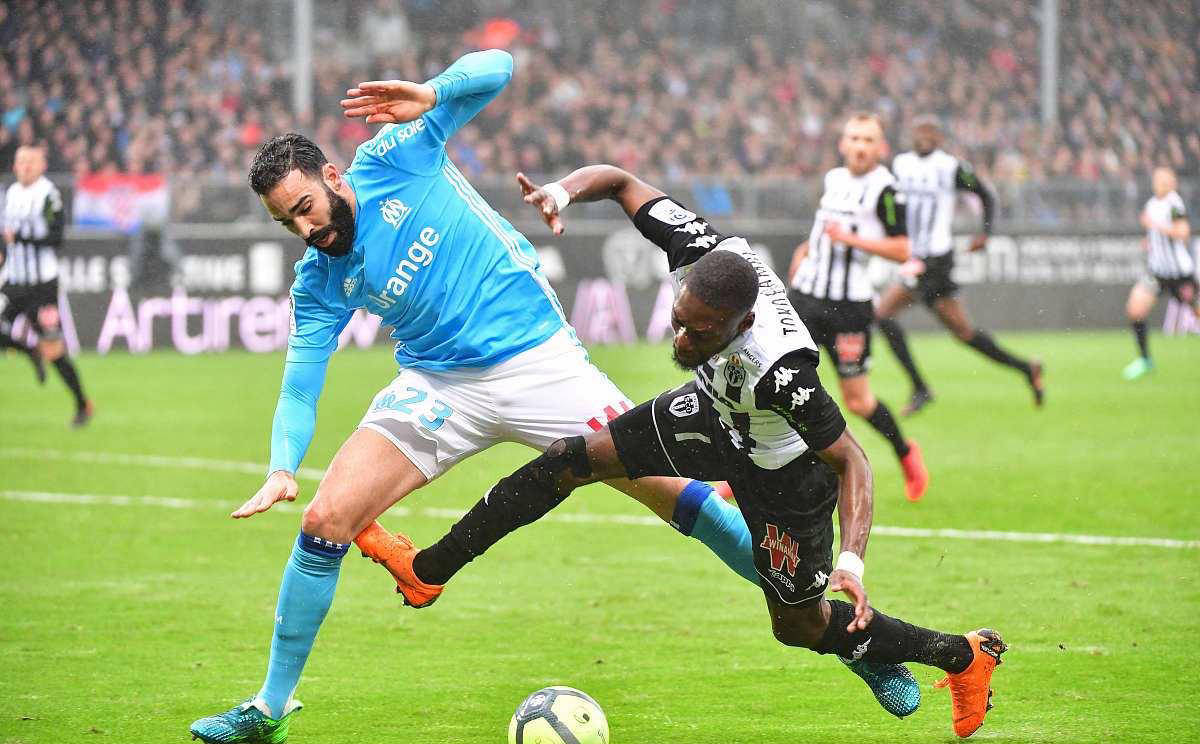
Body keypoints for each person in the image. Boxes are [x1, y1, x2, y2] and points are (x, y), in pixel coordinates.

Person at [188, 50, 759, 744]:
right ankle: (268, 711)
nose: (306, 230)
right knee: (325, 517)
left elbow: (500, 67)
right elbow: (300, 382)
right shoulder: (319, 280)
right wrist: (283, 465)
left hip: (540, 362)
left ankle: (838, 627)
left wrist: (432, 94)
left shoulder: (396, 154)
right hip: (439, 385)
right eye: (288, 223)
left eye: (305, 208)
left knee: (679, 497)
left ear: (332, 177)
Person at [377, 164, 1008, 739]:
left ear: (742, 324)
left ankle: (962, 655)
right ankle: (429, 570)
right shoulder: (703, 250)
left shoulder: (783, 371)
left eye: (700, 332)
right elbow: (620, 181)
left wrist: (853, 561)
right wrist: (562, 192)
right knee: (570, 459)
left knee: (800, 626)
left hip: (785, 476)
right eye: (679, 319)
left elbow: (852, 460)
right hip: (710, 415)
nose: (680, 338)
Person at [786, 114, 928, 502]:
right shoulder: (834, 179)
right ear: (842, 144)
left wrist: (851, 240)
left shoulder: (886, 190)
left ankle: (906, 453)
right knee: (776, 381)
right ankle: (743, 474)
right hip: (805, 298)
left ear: (881, 147)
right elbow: (824, 231)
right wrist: (804, 250)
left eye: (868, 140)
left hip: (849, 309)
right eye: (854, 138)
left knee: (858, 402)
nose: (860, 146)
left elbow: (902, 249)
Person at [878, 118, 1044, 415]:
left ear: (940, 138)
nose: (924, 137)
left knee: (883, 315)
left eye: (930, 132)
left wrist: (986, 234)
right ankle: (1026, 368)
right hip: (916, 258)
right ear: (911, 135)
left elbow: (985, 194)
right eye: (919, 132)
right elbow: (889, 201)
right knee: (964, 333)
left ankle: (920, 388)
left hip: (935, 260)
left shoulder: (949, 167)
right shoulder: (901, 164)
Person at [2, 144, 91, 426]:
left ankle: (82, 404)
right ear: (14, 166)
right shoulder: (11, 194)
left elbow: (56, 238)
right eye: (21, 161)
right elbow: (5, 236)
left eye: (31, 161)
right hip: (13, 280)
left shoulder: (48, 195)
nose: (25, 166)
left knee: (54, 351)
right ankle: (30, 352)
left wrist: (21, 240)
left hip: (42, 286)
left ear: (42, 166)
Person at [1122, 166, 1196, 380]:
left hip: (1180, 274)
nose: (1160, 183)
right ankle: (1145, 360)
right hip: (1157, 272)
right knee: (1135, 310)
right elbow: (1156, 234)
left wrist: (1155, 225)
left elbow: (1183, 233)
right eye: (1157, 179)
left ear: (1173, 183)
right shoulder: (1152, 204)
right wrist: (1150, 241)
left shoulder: (1174, 204)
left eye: (1165, 180)